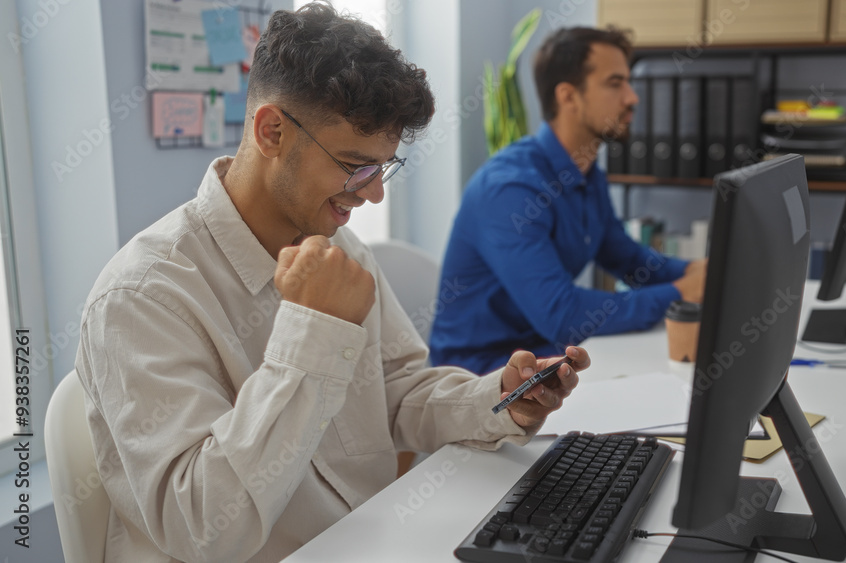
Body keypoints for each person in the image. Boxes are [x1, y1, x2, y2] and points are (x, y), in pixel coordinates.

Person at [74, 5, 586, 562]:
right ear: (271, 131)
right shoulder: (142, 296)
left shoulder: (340, 248)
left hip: (370, 543)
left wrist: (500, 402)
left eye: (383, 167)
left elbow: (396, 394)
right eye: (354, 165)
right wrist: (312, 333)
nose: (373, 195)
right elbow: (203, 528)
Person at [429, 26, 706, 375]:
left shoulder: (588, 173)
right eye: (615, 83)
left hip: (545, 358)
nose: (632, 97)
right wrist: (681, 291)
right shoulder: (511, 189)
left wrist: (698, 272)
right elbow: (563, 316)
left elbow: (629, 260)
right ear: (568, 96)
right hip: (480, 377)